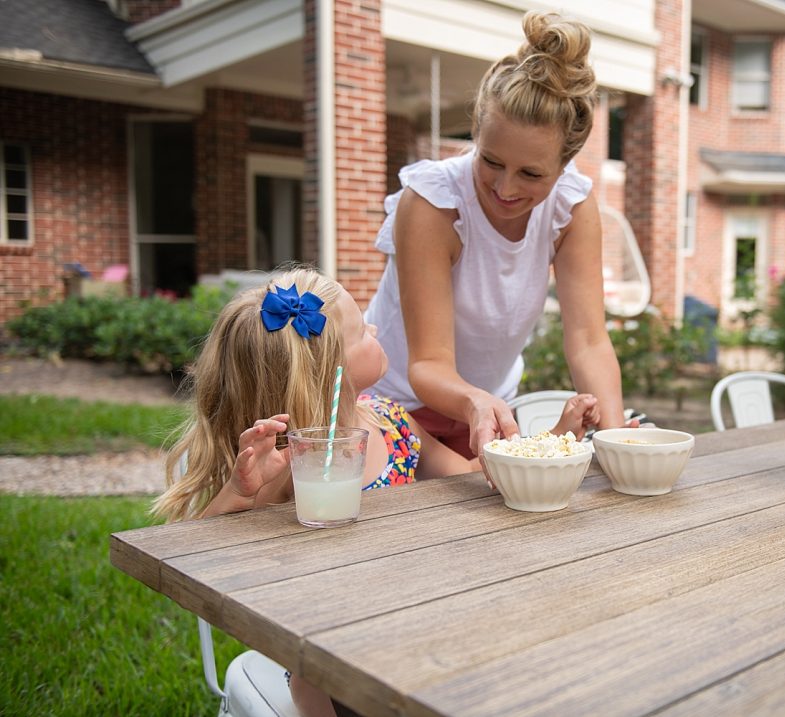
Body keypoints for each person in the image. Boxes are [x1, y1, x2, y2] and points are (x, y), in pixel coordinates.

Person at [151, 266, 597, 717]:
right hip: (330, 660)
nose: (377, 329)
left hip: (415, 621)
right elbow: (200, 560)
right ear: (333, 371)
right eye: (363, 330)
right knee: (319, 682)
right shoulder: (289, 463)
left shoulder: (391, 421)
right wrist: (242, 493)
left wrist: (558, 437)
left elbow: (468, 474)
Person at [365, 10, 633, 460]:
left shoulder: (571, 207)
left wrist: (619, 440)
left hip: (485, 411)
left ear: (564, 166)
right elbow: (428, 364)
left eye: (530, 173)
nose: (505, 188)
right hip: (395, 411)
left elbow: (588, 341)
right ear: (475, 132)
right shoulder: (433, 203)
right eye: (490, 161)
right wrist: (477, 402)